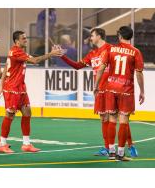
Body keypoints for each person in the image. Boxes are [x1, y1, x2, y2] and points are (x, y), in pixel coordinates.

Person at [59, 28, 137, 157]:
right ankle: (108, 148)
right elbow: (78, 65)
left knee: (121, 117)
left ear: (100, 36)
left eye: (92, 35)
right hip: (100, 90)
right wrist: (62, 56)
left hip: (112, 89)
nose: (90, 38)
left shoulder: (112, 49)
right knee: (104, 118)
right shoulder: (92, 54)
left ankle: (130, 145)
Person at [0, 30, 62, 153]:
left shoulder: (19, 52)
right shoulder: (16, 52)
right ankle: (2, 144)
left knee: (27, 113)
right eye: (23, 38)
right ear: (17, 41)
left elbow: (6, 66)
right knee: (10, 115)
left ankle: (26, 144)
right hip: (12, 88)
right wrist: (51, 54)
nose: (26, 40)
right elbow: (35, 61)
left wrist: (1, 84)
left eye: (26, 38)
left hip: (20, 87)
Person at [94, 26, 144, 161]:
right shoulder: (135, 52)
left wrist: (96, 85)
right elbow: (139, 73)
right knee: (123, 121)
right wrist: (142, 91)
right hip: (126, 90)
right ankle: (120, 154)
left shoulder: (110, 49)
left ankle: (111, 152)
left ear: (120, 36)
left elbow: (101, 68)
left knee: (111, 119)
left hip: (110, 89)